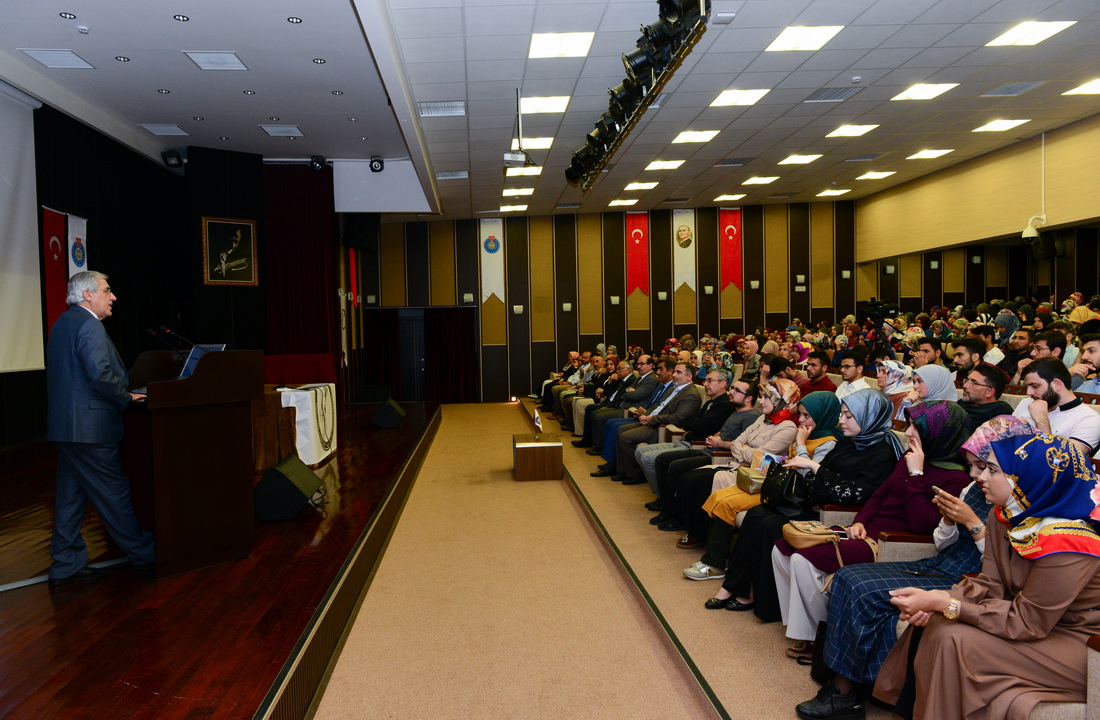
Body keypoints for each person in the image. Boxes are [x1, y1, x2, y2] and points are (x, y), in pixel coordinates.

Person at [794, 417, 1030, 720]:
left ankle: (844, 694)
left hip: (971, 578)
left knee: (864, 589)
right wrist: (948, 520)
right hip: (942, 563)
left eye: (984, 467)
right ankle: (854, 687)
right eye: (973, 465)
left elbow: (1003, 567)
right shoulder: (973, 488)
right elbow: (942, 543)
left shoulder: (1025, 502)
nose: (975, 475)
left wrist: (972, 523)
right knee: (848, 576)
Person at [873, 432, 1100, 720]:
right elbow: (990, 583)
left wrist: (947, 605)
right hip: (1034, 623)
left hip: (1081, 641)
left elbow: (1028, 622)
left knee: (953, 637)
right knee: (938, 623)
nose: (980, 477)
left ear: (1028, 477)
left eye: (992, 470)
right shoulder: (1005, 514)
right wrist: (940, 597)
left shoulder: (1072, 539)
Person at [772, 401, 971, 663]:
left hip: (890, 541)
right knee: (782, 548)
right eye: (909, 425)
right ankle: (808, 628)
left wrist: (916, 473)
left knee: (804, 559)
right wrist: (860, 521)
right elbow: (879, 495)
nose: (908, 433)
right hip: (867, 531)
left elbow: (922, 525)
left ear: (937, 434)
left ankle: (819, 638)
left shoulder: (956, 478)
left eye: (915, 428)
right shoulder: (908, 456)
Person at [704, 389, 904, 621]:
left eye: (849, 416)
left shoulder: (882, 453)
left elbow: (854, 494)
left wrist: (815, 468)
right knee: (756, 514)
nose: (841, 421)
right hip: (815, 500)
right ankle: (734, 587)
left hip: (835, 514)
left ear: (870, 418)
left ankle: (761, 599)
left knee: (769, 523)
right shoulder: (848, 442)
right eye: (842, 414)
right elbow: (816, 476)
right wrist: (809, 471)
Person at [46, 271, 155, 585]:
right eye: (107, 290)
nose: (113, 297)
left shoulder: (63, 323)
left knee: (71, 497)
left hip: (68, 429)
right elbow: (99, 373)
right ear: (87, 295)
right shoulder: (89, 325)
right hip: (91, 429)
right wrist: (125, 397)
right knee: (114, 493)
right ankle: (145, 554)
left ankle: (65, 564)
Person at [683, 391, 842, 580]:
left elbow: (810, 476)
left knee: (728, 503)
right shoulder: (808, 433)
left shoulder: (828, 443)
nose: (801, 420)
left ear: (823, 415)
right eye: (800, 414)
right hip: (780, 486)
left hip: (794, 496)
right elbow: (789, 461)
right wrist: (776, 466)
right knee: (720, 496)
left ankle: (714, 564)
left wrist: (800, 444)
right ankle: (716, 558)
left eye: (807, 416)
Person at [1013, 357, 1100, 454]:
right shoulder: (1026, 402)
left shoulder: (1089, 418)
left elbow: (1066, 460)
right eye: (1027, 386)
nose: (1029, 393)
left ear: (1057, 384)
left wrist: (1041, 421)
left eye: (1035, 386)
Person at [958, 363, 1014, 429]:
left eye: (974, 383)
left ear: (989, 392)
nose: (965, 385)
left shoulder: (1001, 411)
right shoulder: (961, 403)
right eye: (967, 380)